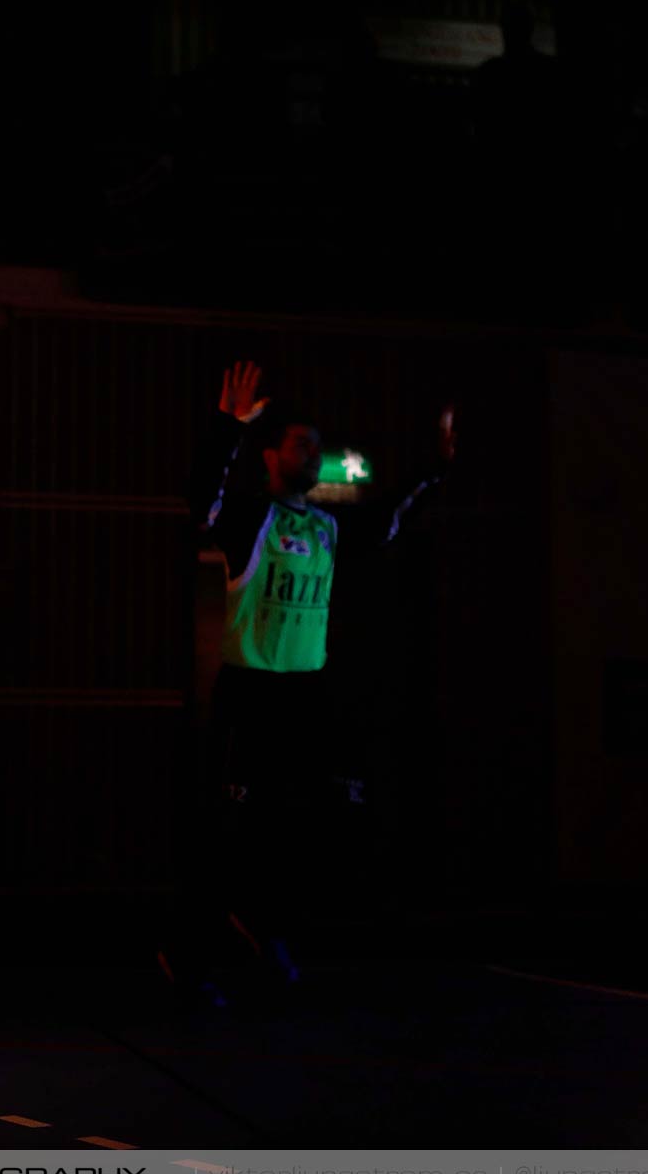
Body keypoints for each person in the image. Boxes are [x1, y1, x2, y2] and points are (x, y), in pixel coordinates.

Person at [157, 360, 457, 1007]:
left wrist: (436, 466)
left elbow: (390, 519)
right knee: (226, 832)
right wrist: (227, 426)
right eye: (301, 444)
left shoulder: (326, 526)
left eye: (318, 447)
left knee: (291, 831)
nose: (313, 454)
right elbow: (199, 498)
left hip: (304, 698)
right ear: (271, 456)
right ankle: (187, 956)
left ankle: (263, 931)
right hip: (249, 693)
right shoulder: (249, 519)